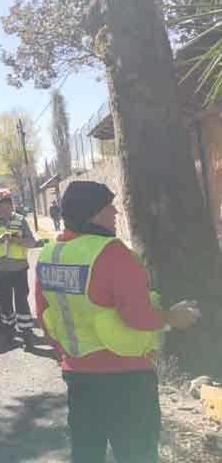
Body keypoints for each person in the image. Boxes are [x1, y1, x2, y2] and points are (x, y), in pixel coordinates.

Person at [35, 181, 201, 463]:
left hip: (78, 375)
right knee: (137, 453)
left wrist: (67, 355)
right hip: (126, 378)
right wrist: (172, 318)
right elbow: (137, 316)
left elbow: (44, 315)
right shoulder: (112, 253)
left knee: (87, 452)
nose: (115, 212)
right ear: (92, 214)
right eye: (108, 206)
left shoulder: (49, 255)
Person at [0, 196, 37, 348]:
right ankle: (8, 333)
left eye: (7, 209)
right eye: (1, 210)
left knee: (22, 302)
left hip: (19, 269)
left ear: (12, 207)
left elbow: (32, 242)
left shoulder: (20, 220)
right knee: (5, 303)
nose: (4, 212)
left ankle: (27, 335)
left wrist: (18, 241)